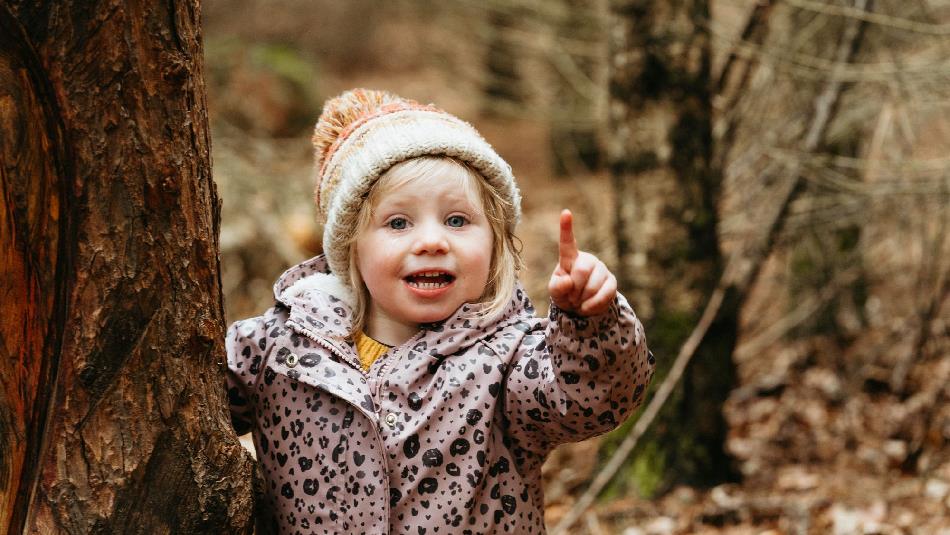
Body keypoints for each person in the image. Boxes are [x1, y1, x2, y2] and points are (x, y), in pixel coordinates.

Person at [226, 88, 654, 534]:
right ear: (350, 246)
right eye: (398, 223)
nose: (432, 241)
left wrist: (590, 323)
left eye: (456, 220)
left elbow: (591, 400)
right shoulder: (279, 348)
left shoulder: (509, 357)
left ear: (494, 242)